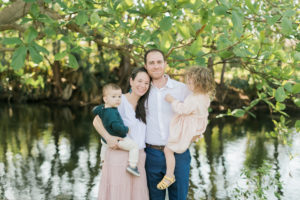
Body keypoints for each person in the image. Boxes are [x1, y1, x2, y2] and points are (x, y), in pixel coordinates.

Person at [144, 49, 200, 200]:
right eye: (151, 63)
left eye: (159, 62)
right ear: (146, 66)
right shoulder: (141, 89)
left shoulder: (182, 89)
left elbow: (198, 112)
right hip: (151, 154)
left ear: (165, 64)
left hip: (178, 153)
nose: (156, 66)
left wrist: (192, 137)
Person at [93, 67, 151, 200]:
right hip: (118, 156)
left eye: (146, 83)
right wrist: (108, 138)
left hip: (138, 158)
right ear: (131, 81)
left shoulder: (146, 104)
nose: (142, 85)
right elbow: (96, 120)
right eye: (139, 81)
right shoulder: (118, 100)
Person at [156, 66, 215, 190]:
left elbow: (183, 109)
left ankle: (169, 175)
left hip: (188, 128)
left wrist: (172, 100)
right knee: (176, 148)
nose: (187, 85)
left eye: (190, 82)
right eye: (187, 81)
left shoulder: (194, 98)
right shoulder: (205, 96)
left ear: (200, 84)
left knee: (168, 150)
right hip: (197, 127)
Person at [93, 83, 140, 176]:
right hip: (117, 139)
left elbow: (95, 110)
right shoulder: (112, 113)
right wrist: (126, 129)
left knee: (104, 145)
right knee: (134, 146)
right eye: (114, 97)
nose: (118, 99)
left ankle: (102, 160)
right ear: (105, 99)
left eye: (119, 96)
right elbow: (116, 127)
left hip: (105, 139)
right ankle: (132, 166)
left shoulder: (102, 108)